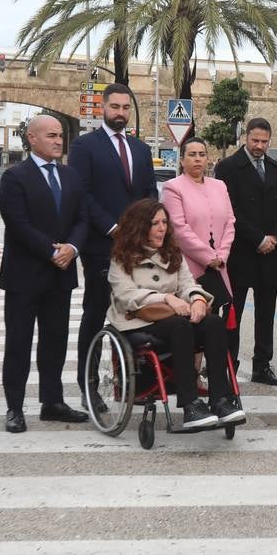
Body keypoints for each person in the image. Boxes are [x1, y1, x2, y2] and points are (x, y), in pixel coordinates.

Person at [107, 199, 244, 427]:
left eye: (164, 222)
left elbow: (188, 284)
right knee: (179, 326)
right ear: (140, 227)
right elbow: (127, 295)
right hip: (139, 321)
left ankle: (220, 399)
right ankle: (190, 405)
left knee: (213, 324)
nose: (162, 228)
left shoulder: (172, 253)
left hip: (175, 318)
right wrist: (167, 298)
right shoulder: (122, 258)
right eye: (154, 223)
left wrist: (198, 299)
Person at [0, 114, 90, 432]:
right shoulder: (15, 177)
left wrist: (72, 249)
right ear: (31, 138)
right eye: (50, 135)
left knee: (55, 341)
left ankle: (53, 401)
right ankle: (14, 407)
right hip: (25, 275)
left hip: (60, 275)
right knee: (19, 342)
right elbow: (17, 223)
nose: (57, 140)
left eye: (60, 135)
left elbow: (82, 218)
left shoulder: (71, 176)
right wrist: (52, 251)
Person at [69, 83, 158, 405]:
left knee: (137, 316)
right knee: (95, 317)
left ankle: (136, 385)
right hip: (100, 248)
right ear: (103, 108)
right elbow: (82, 193)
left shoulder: (140, 149)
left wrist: (145, 229)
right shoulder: (84, 147)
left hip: (137, 250)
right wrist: (113, 227)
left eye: (125, 108)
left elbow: (149, 193)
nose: (120, 113)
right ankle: (88, 387)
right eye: (115, 107)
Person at [214, 118, 277, 386]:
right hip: (240, 254)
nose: (259, 146)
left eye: (264, 141)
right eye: (255, 140)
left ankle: (262, 365)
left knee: (266, 313)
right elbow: (229, 210)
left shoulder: (274, 169)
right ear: (245, 137)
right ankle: (228, 366)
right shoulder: (227, 168)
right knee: (232, 314)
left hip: (269, 254)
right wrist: (257, 238)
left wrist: (275, 237)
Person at [162, 138, 237, 381]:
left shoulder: (220, 186)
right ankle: (189, 375)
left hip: (218, 266)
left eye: (202, 154)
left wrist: (221, 255)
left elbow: (230, 223)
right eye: (192, 154)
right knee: (192, 319)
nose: (197, 159)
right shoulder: (173, 187)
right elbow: (179, 229)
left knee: (213, 320)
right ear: (182, 160)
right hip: (189, 266)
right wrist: (207, 257)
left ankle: (202, 373)